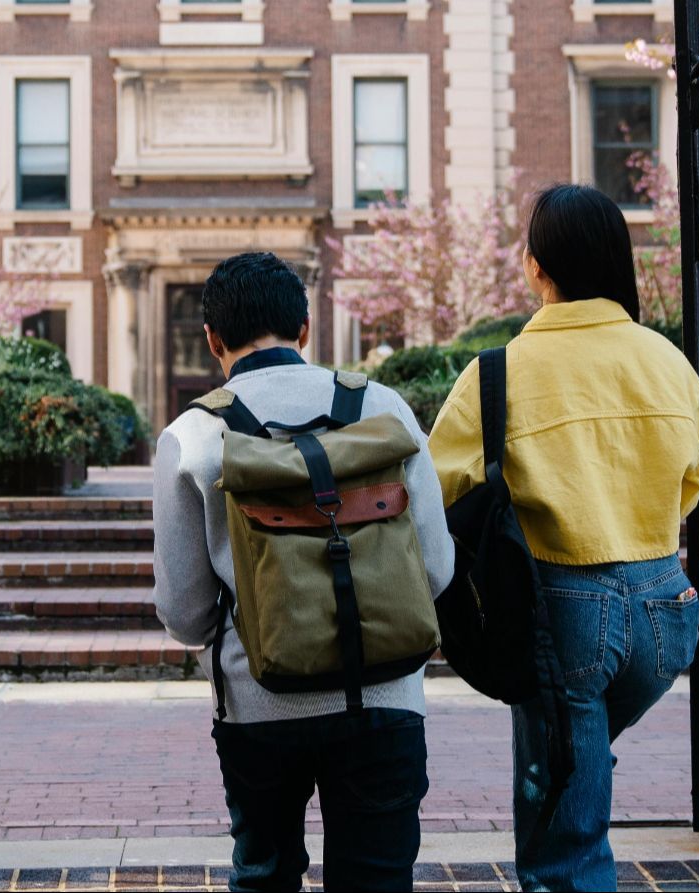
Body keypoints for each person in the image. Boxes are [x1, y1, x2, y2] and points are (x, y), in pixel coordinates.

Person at [428, 184, 699, 891]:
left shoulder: (496, 373)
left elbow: (433, 494)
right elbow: (690, 483)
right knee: (575, 762)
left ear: (534, 265)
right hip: (666, 605)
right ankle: (573, 770)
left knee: (566, 851)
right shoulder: (668, 363)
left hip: (561, 612)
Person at [152, 252, 454, 892]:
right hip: (385, 696)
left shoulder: (193, 434)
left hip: (259, 706)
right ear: (306, 329)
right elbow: (436, 568)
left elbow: (185, 614)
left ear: (212, 341)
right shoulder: (384, 407)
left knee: (265, 878)